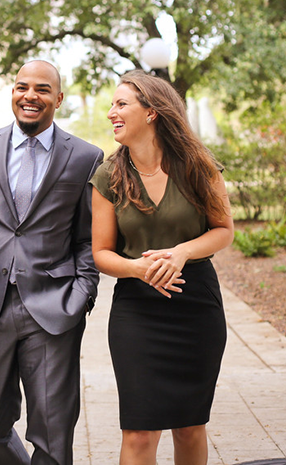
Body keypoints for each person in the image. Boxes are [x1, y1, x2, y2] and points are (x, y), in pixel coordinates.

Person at [0, 59, 103, 465]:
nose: (30, 96)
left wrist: (83, 293)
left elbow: (87, 237)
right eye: (22, 87)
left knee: (53, 432)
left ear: (58, 98)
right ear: (12, 92)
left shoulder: (85, 157)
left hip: (53, 307)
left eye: (43, 89)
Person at [90, 70, 234, 465]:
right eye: (112, 105)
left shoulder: (198, 166)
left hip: (196, 307)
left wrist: (183, 252)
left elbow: (223, 231)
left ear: (152, 111)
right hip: (137, 311)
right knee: (138, 432)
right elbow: (101, 253)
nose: (111, 113)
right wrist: (138, 269)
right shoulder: (108, 175)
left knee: (189, 426)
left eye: (121, 104)